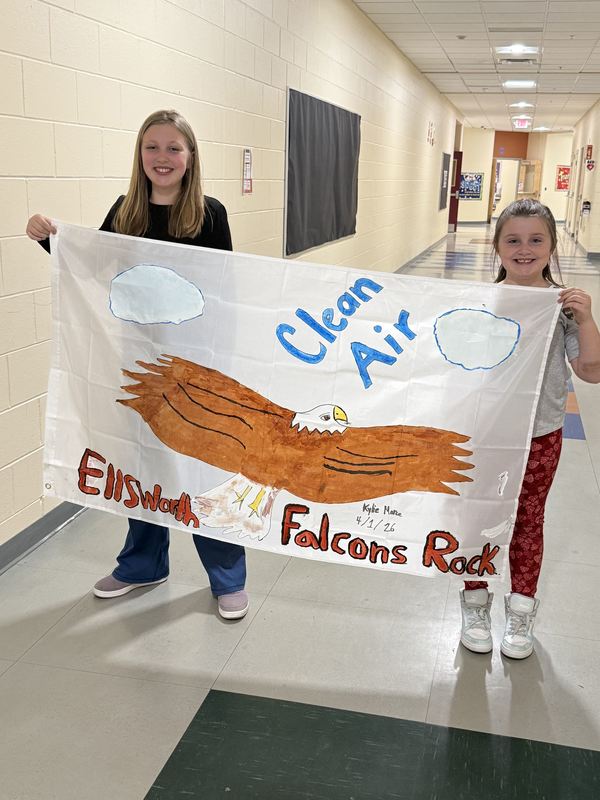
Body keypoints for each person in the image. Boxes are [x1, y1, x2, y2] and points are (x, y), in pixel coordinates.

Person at [26, 109, 249, 620]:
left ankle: (227, 576)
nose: (162, 158)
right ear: (139, 154)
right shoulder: (126, 211)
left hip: (195, 366)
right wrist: (51, 238)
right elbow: (91, 264)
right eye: (152, 147)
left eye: (174, 148)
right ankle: (143, 564)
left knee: (200, 467)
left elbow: (225, 293)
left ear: (190, 157)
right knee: (143, 463)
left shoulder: (209, 214)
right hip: (138, 363)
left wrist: (224, 364)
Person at [459, 198, 600, 659]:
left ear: (552, 246)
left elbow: (591, 371)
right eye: (513, 240)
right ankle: (474, 602)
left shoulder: (562, 308)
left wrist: (586, 317)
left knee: (528, 520)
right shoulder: (481, 303)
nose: (524, 249)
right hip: (487, 433)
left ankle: (521, 612)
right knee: (478, 516)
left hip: (541, 433)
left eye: (536, 239)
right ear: (497, 247)